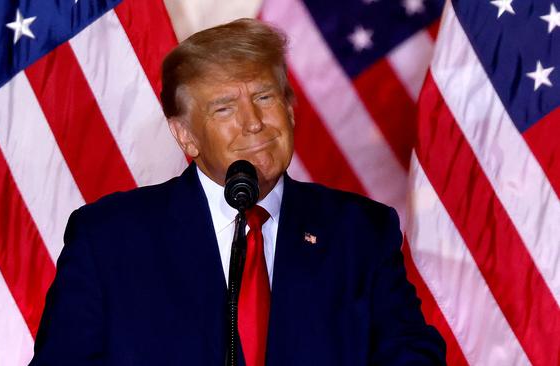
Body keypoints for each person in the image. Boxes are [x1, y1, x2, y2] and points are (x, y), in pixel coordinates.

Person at [30, 18, 446, 365]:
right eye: (224, 108)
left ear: (290, 109)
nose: (253, 123)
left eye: (265, 97)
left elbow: (411, 356)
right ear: (185, 135)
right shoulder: (109, 239)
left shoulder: (360, 231)